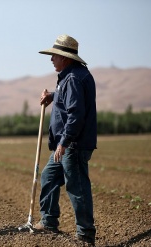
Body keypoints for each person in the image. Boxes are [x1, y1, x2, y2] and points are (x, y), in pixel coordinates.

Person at [33, 34, 97, 246]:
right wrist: (53, 95)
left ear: (66, 58)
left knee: (77, 187)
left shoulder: (73, 78)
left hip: (72, 145)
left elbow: (75, 114)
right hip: (67, 144)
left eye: (54, 56)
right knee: (49, 177)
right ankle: (49, 221)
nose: (51, 59)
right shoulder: (71, 77)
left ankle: (85, 234)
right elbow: (69, 98)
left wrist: (63, 142)